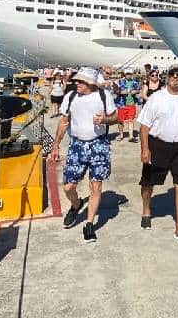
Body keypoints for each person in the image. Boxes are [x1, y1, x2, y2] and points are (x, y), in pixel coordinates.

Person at [50, 67, 118, 243]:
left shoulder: (103, 96)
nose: (76, 83)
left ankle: (89, 224)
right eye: (76, 80)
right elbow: (63, 122)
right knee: (68, 187)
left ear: (90, 83)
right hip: (77, 145)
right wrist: (55, 145)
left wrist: (105, 120)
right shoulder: (71, 96)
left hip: (99, 144)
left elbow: (115, 117)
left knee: (95, 186)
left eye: (80, 81)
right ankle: (76, 204)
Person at [137, 63, 178, 244]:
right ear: (167, 77)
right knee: (148, 183)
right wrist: (145, 149)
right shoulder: (157, 98)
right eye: (172, 74)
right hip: (157, 145)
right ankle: (146, 210)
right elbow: (144, 126)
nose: (175, 77)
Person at [115, 68, 140, 142]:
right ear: (125, 74)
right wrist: (121, 92)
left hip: (131, 103)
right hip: (122, 104)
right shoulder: (120, 81)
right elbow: (115, 90)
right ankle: (121, 135)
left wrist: (135, 91)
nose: (128, 75)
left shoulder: (135, 82)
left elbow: (138, 90)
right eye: (127, 74)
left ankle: (131, 137)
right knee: (120, 120)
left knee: (131, 120)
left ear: (131, 74)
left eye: (130, 74)